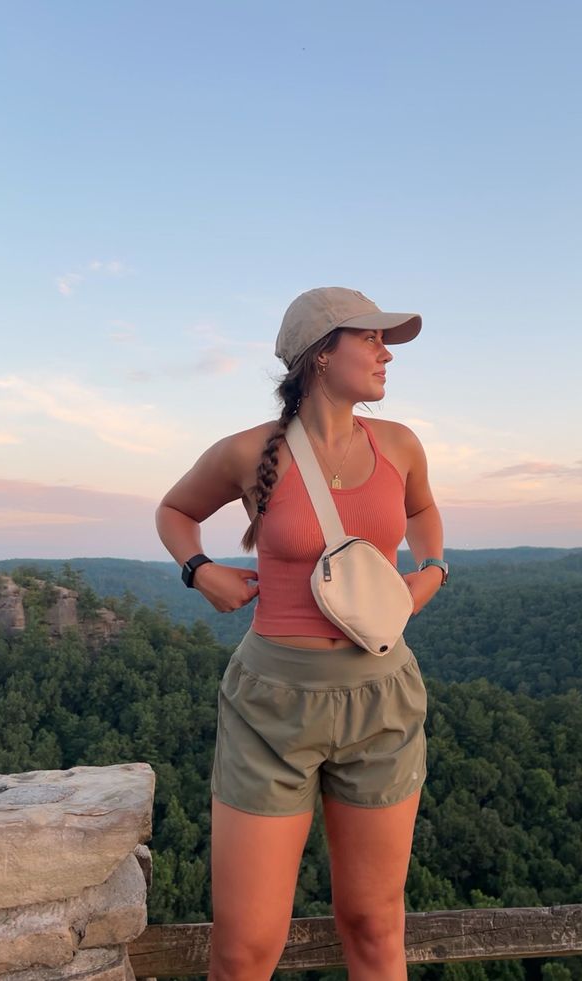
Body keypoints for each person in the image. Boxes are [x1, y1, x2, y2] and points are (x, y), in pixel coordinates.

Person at [155, 286, 448, 980]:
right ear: (321, 354)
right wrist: (199, 570)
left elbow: (425, 508)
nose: (386, 354)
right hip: (272, 703)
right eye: (370, 338)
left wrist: (432, 567)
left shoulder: (400, 444)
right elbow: (174, 510)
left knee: (376, 927)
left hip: (382, 699)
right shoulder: (246, 451)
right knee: (245, 947)